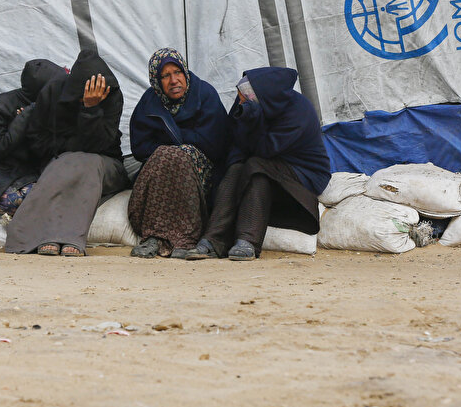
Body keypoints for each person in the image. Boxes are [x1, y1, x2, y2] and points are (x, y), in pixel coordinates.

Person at [186, 67, 331, 261]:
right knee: (238, 167)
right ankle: (213, 240)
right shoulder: (248, 104)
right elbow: (234, 143)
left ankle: (248, 242)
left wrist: (249, 122)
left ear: (263, 96)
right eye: (240, 97)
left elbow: (265, 149)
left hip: (303, 174)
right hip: (263, 167)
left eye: (244, 97)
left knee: (255, 167)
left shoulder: (298, 112)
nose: (241, 101)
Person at [4, 49, 127, 256]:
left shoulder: (111, 94)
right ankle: (33, 237)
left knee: (87, 163)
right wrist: (71, 148)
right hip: (59, 162)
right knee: (67, 163)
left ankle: (70, 238)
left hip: (104, 164)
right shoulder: (53, 93)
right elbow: (37, 141)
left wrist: (91, 109)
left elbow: (102, 143)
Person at [126, 47, 229, 258]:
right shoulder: (149, 102)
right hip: (162, 170)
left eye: (178, 72)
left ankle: (184, 239)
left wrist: (179, 144)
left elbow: (218, 144)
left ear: (185, 72)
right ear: (156, 81)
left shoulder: (204, 95)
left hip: (204, 173)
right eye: (165, 76)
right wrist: (170, 151)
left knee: (176, 156)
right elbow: (139, 147)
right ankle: (154, 238)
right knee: (167, 156)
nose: (174, 80)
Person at [0, 59, 66, 220]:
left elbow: (48, 149)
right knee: (21, 201)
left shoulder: (53, 106)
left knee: (61, 194)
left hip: (31, 173)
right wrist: (24, 118)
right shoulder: (3, 104)